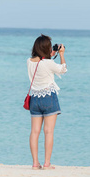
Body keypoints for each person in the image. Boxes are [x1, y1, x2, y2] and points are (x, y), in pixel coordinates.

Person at [27, 34, 67, 170]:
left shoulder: (29, 61)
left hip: (34, 99)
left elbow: (41, 63)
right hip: (48, 97)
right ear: (46, 48)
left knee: (34, 132)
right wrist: (61, 54)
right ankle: (46, 164)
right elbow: (63, 69)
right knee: (48, 132)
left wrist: (51, 54)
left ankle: (34, 163)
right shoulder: (48, 63)